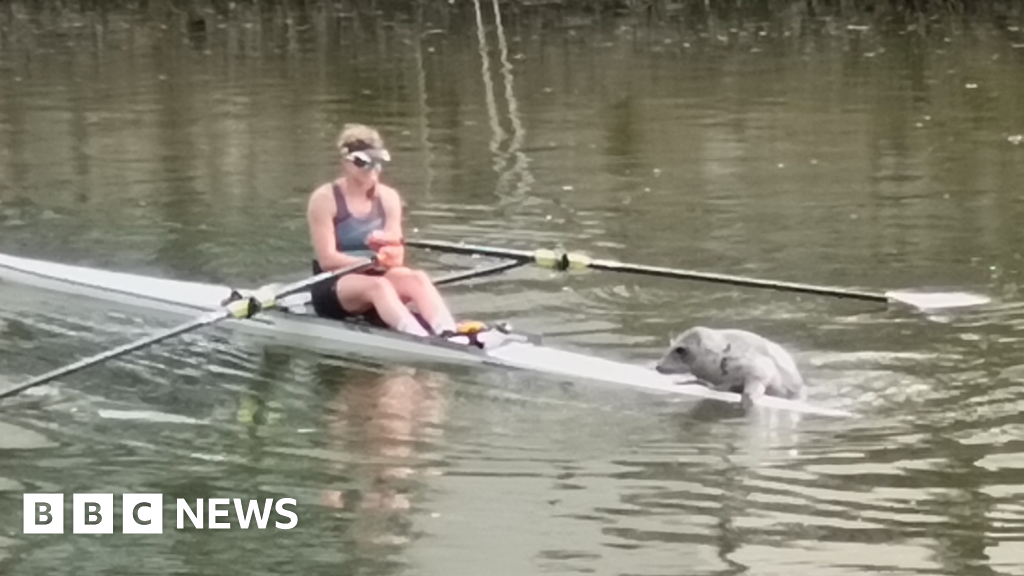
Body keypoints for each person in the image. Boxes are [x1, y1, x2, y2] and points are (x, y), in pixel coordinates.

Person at [307, 123, 459, 338]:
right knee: (379, 286)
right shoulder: (324, 199)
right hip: (334, 283)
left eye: (378, 163)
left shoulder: (389, 198)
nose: (372, 170)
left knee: (417, 278)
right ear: (346, 163)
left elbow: (397, 259)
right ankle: (418, 340)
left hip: (376, 274)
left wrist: (388, 255)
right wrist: (372, 261)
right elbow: (327, 260)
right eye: (363, 163)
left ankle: (449, 334)